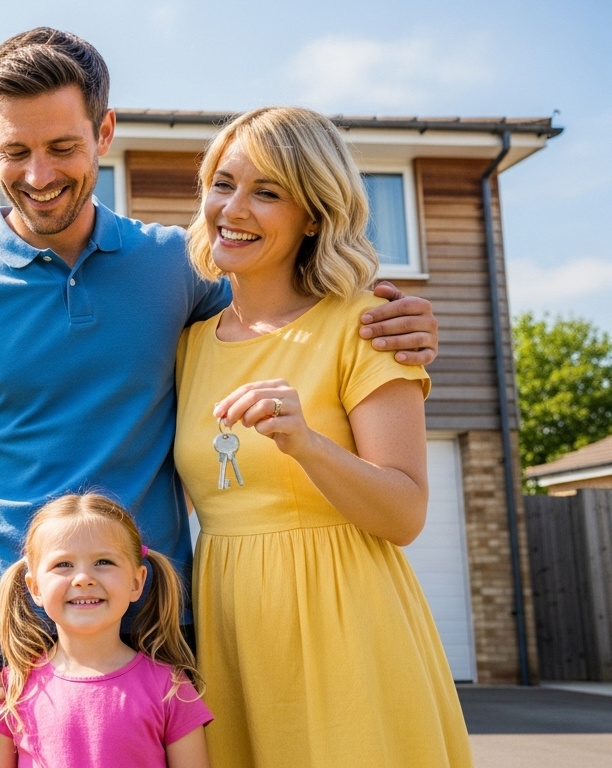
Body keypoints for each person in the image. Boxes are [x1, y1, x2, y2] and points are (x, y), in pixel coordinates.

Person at [0, 28, 440, 768]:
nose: (39, 173)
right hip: (4, 642)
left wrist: (407, 319)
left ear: (105, 133)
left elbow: (287, 306)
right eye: (15, 151)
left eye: (62, 147)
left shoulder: (178, 267)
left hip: (154, 633)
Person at [174, 106, 472, 766]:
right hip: (229, 631)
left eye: (268, 192)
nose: (235, 208)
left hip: (348, 628)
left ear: (314, 214)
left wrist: (306, 441)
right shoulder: (190, 344)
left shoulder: (367, 325)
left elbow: (404, 512)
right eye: (223, 184)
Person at [0, 494, 211, 768]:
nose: (84, 579)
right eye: (63, 564)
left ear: (137, 582)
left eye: (103, 562)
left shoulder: (171, 688)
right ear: (35, 588)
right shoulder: (12, 690)